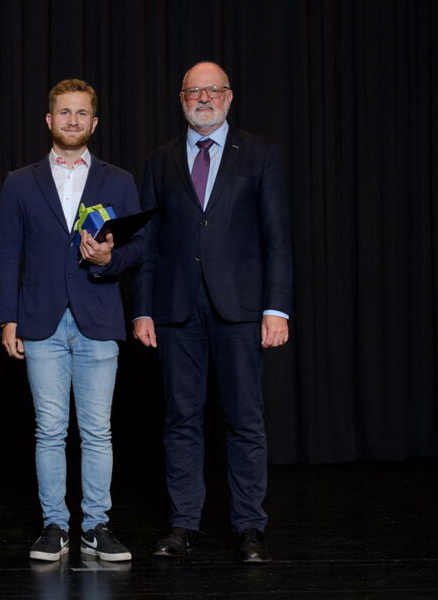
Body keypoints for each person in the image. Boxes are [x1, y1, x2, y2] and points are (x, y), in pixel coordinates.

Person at [133, 61, 293, 563]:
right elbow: (148, 243)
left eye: (212, 90)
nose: (203, 98)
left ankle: (249, 527)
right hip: (177, 309)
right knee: (181, 418)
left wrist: (277, 308)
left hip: (242, 309)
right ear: (181, 98)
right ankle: (184, 524)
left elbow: (277, 238)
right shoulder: (160, 161)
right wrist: (142, 310)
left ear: (228, 96)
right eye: (193, 91)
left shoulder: (260, 154)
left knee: (245, 419)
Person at [0, 78, 143, 562]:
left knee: (98, 430)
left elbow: (140, 248)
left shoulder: (119, 181)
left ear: (94, 123)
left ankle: (96, 525)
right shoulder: (20, 181)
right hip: (40, 321)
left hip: (98, 316)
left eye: (82, 113)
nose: (72, 121)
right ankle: (54, 524)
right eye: (64, 113)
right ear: (49, 120)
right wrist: (7, 319)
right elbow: (7, 254)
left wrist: (107, 261)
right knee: (49, 429)